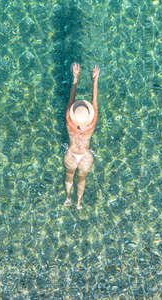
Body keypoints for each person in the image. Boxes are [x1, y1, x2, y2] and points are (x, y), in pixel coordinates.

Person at [63, 63, 100, 209]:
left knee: (69, 175)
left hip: (71, 154)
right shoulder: (91, 124)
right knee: (82, 178)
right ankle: (78, 202)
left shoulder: (70, 122)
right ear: (88, 116)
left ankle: (67, 198)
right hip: (86, 155)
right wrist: (95, 80)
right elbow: (94, 102)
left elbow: (71, 101)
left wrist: (75, 78)